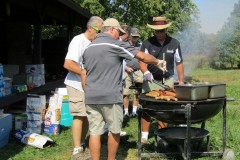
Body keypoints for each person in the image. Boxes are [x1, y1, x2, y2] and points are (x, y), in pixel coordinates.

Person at [82, 18, 167, 160]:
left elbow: (84, 73)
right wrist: (158, 61)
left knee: (95, 132)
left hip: (91, 96)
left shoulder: (89, 47)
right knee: (114, 131)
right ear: (112, 30)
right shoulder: (116, 44)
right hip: (110, 97)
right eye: (118, 32)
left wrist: (87, 91)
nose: (120, 35)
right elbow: (141, 56)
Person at [63, 16, 103, 160]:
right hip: (76, 85)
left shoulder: (94, 42)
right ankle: (76, 149)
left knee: (87, 115)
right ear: (90, 28)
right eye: (98, 30)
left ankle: (82, 142)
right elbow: (68, 64)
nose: (99, 34)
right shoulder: (78, 40)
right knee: (79, 115)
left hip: (88, 85)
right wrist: (84, 73)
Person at [139, 16, 184, 144]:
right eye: (157, 31)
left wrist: (181, 81)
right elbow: (141, 60)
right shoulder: (147, 43)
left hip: (168, 80)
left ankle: (160, 137)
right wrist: (146, 71)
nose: (159, 33)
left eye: (162, 30)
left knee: (165, 109)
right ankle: (144, 136)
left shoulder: (174, 43)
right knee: (147, 108)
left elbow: (179, 63)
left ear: (166, 29)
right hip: (151, 80)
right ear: (154, 31)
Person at [123, 27, 143, 120]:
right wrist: (126, 67)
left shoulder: (141, 44)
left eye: (136, 37)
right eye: (134, 36)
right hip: (127, 71)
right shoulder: (124, 44)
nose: (135, 38)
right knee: (126, 93)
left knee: (137, 92)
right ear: (130, 35)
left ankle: (134, 111)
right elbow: (121, 58)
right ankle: (126, 112)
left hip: (138, 71)